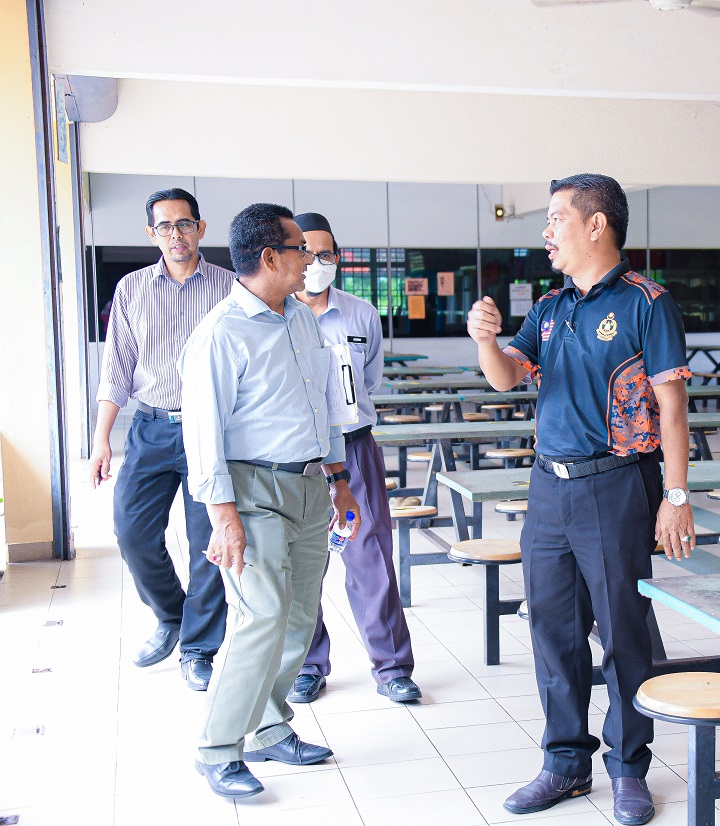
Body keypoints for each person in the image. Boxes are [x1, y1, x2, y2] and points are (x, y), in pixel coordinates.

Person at [466, 174, 694, 826]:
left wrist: (676, 496)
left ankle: (629, 769)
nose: (546, 232)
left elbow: (674, 408)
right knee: (553, 631)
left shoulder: (648, 302)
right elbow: (507, 377)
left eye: (556, 218)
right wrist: (485, 342)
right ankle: (565, 762)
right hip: (549, 488)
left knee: (623, 633)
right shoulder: (550, 306)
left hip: (616, 484)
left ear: (596, 224)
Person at [179, 203, 361, 799]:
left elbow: (323, 403)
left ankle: (267, 726)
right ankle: (217, 748)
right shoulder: (221, 332)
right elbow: (203, 433)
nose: (310, 260)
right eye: (300, 249)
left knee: (299, 617)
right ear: (268, 257)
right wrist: (223, 517)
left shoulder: (301, 319)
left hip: (309, 484)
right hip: (250, 492)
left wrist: (338, 477)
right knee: (260, 615)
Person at [88, 187, 232, 691]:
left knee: (206, 542)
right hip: (149, 427)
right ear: (152, 233)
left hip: (209, 431)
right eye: (165, 226)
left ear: (201, 228)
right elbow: (116, 369)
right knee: (132, 531)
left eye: (185, 223)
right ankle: (171, 615)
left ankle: (198, 646)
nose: (176, 234)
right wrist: (101, 439)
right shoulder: (131, 289)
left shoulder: (231, 287)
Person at [289, 211, 421, 704]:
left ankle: (392, 668)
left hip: (354, 447)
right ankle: (307, 665)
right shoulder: (278, 315)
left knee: (371, 559)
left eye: (324, 253)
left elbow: (368, 382)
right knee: (303, 565)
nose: (315, 261)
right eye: (305, 252)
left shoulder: (361, 313)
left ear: (338, 258)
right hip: (299, 455)